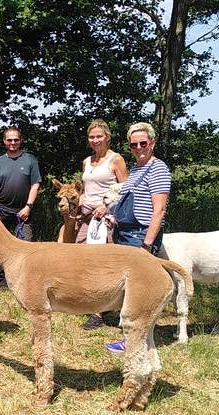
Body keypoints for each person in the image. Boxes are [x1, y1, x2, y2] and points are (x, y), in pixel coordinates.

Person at [105, 121, 171, 353]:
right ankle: (130, 336)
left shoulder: (158, 169)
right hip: (125, 232)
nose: (139, 148)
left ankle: (135, 341)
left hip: (140, 235)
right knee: (128, 290)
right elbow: (129, 201)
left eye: (143, 143)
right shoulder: (135, 169)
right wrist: (114, 217)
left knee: (138, 292)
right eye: (134, 144)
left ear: (152, 143)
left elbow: (159, 210)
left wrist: (147, 244)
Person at [77, 119, 128, 330]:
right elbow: (86, 188)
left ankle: (99, 312)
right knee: (82, 258)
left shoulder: (116, 160)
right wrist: (80, 198)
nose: (95, 140)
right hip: (86, 217)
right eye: (92, 137)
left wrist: (105, 207)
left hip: (104, 218)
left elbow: (125, 189)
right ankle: (88, 301)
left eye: (99, 136)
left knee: (100, 262)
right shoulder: (87, 161)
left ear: (107, 136)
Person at [0, 127, 41, 290]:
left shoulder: (30, 160)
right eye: (9, 140)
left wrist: (28, 207)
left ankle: (23, 282)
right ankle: (3, 283)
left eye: (16, 140)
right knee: (1, 248)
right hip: (1, 211)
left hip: (23, 212)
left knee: (26, 246)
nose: (12, 143)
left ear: (20, 140)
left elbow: (35, 184)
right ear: (4, 141)